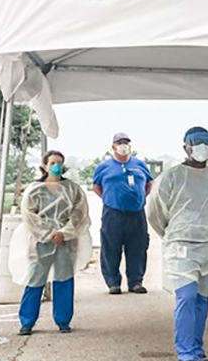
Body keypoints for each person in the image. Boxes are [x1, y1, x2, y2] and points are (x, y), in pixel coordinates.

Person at [147, 127, 208, 361]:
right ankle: (185, 354)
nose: (203, 148)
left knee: (202, 299)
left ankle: (196, 349)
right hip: (181, 245)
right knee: (187, 295)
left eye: (207, 143)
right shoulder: (172, 177)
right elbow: (155, 212)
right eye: (198, 143)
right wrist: (172, 234)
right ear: (186, 147)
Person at [13, 151, 92, 335]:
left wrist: (64, 233)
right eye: (53, 162)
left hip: (65, 241)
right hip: (41, 241)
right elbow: (29, 215)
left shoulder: (72, 189)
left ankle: (63, 320)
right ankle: (27, 321)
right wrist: (49, 234)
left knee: (64, 279)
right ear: (44, 166)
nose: (57, 165)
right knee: (35, 280)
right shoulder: (35, 189)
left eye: (60, 162)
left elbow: (80, 213)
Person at [92, 133, 153, 295]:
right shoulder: (104, 166)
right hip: (113, 213)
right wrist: (109, 198)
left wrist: (139, 197)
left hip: (136, 213)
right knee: (111, 247)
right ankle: (113, 282)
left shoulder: (139, 165)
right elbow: (96, 186)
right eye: (120, 143)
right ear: (113, 147)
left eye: (126, 143)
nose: (123, 145)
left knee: (138, 247)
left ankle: (136, 281)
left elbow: (149, 183)